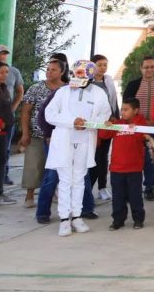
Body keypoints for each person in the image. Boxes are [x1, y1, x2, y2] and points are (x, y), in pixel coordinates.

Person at [44, 60, 111, 236]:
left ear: (90, 75)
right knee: (65, 179)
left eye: (82, 73)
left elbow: (105, 114)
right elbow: (50, 114)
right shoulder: (63, 91)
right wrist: (71, 122)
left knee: (80, 178)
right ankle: (64, 219)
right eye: (76, 72)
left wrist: (89, 124)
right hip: (64, 140)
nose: (78, 76)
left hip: (85, 140)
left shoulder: (98, 93)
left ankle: (77, 216)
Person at [19, 58, 67, 208]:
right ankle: (29, 195)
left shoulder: (66, 89)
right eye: (47, 69)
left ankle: (52, 193)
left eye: (53, 70)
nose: (49, 72)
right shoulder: (36, 88)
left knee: (54, 167)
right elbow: (26, 112)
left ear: (62, 72)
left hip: (60, 136)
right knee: (33, 165)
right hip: (37, 134)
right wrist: (25, 133)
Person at [123, 55, 154, 201]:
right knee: (133, 158)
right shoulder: (133, 85)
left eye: (152, 67)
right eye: (146, 67)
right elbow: (126, 107)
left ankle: (148, 187)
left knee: (151, 159)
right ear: (141, 68)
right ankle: (131, 189)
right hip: (136, 127)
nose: (149, 70)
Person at [98, 97, 147, 230]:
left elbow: (144, 138)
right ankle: (118, 220)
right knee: (117, 198)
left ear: (136, 110)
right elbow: (103, 135)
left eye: (126, 110)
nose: (122, 112)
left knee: (135, 196)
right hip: (116, 169)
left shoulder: (141, 124)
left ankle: (138, 219)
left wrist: (135, 129)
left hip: (134, 169)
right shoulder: (118, 123)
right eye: (122, 109)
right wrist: (106, 126)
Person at [87, 54, 119, 202]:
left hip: (106, 125)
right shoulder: (86, 81)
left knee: (103, 157)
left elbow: (113, 101)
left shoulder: (108, 80)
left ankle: (102, 187)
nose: (103, 67)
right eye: (99, 64)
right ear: (92, 66)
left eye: (105, 64)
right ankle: (87, 190)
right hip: (90, 125)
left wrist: (115, 117)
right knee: (91, 157)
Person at [0, 45, 24, 188]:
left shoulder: (13, 73)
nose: (2, 56)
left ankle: (2, 179)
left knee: (4, 150)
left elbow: (19, 91)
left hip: (6, 121)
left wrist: (12, 109)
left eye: (4, 54)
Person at [0, 62, 14, 205]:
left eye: (6, 72)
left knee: (0, 161)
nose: (5, 75)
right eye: (1, 72)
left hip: (3, 133)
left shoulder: (3, 88)